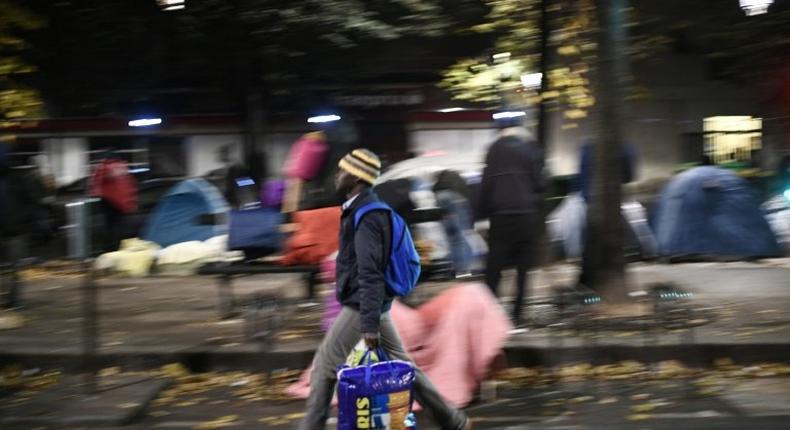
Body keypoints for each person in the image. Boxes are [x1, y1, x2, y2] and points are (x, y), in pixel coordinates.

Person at [300, 149, 470, 430]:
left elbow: (371, 273)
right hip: (372, 305)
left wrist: (368, 325)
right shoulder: (361, 209)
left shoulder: (367, 216)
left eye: (342, 170)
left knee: (324, 367)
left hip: (362, 305)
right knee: (406, 366)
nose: (336, 175)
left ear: (356, 177)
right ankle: (452, 420)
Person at [478, 118, 545, 327]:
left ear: (500, 131)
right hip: (526, 215)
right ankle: (518, 313)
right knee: (523, 268)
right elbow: (540, 184)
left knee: (495, 266)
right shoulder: (529, 149)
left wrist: (479, 214)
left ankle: (490, 314)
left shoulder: (494, 150)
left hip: (502, 216)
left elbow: (486, 184)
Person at [433, 170, 474, 276]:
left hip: (440, 198)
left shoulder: (441, 180)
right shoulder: (458, 180)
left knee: (452, 238)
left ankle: (456, 266)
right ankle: (463, 269)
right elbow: (467, 195)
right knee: (459, 238)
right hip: (455, 198)